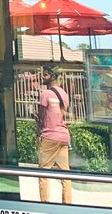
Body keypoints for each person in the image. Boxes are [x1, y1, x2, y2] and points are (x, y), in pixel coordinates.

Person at [35, 66, 73, 204]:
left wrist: (37, 121)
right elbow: (60, 114)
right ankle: (67, 204)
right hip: (63, 136)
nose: (42, 77)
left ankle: (45, 204)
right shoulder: (64, 94)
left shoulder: (45, 94)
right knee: (65, 173)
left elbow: (41, 116)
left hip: (49, 136)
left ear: (52, 76)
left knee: (44, 172)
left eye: (45, 75)